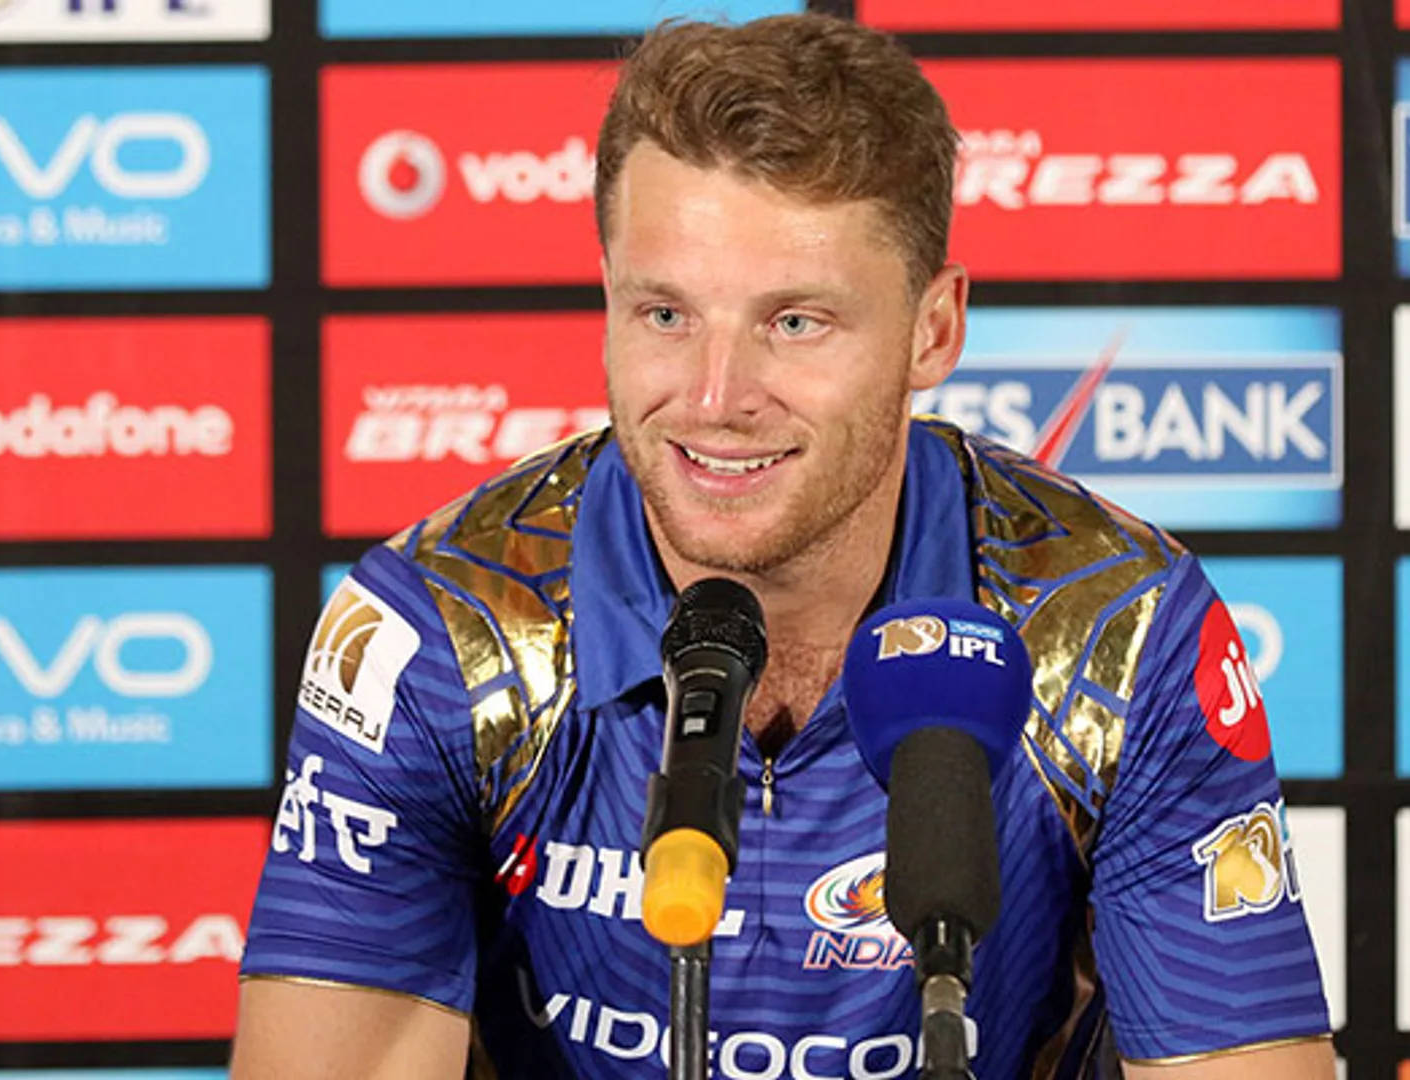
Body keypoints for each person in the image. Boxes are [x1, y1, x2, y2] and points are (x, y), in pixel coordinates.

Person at [231, 13, 1334, 1079]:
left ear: (934, 330)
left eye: (795, 322)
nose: (716, 399)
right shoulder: (439, 633)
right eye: (666, 315)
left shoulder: (1119, 631)